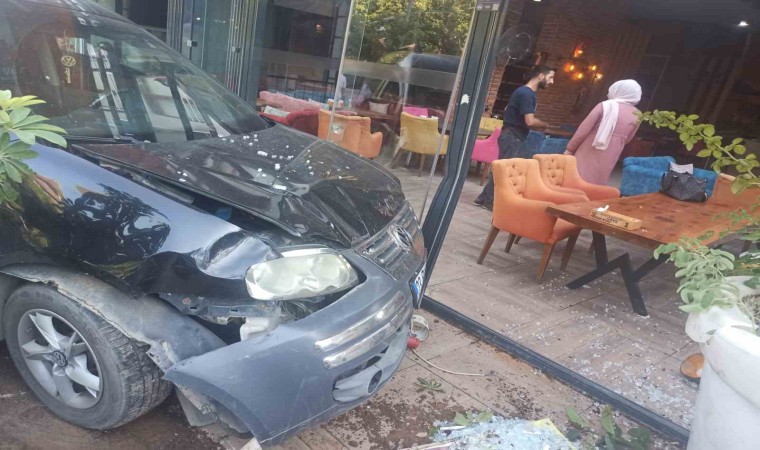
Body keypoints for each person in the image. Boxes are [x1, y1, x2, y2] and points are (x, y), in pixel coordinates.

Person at [474, 65, 556, 210]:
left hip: (511, 135)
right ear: (541, 76)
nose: (552, 82)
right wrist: (545, 125)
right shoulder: (527, 94)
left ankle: (483, 199)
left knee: (502, 168)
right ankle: (490, 202)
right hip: (512, 136)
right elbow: (530, 121)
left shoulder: (523, 92)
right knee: (504, 170)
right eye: (550, 77)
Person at [564, 79, 642, 185]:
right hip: (612, 152)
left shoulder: (604, 106)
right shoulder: (637, 114)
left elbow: (583, 130)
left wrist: (570, 149)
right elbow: (628, 139)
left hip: (589, 148)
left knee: (578, 177)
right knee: (597, 182)